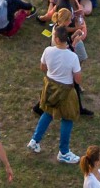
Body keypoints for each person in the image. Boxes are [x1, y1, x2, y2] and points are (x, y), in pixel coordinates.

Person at [28, 25, 82, 164]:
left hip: (50, 87)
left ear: (57, 39)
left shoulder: (48, 51)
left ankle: (35, 140)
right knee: (67, 118)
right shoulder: (73, 57)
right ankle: (64, 152)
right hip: (66, 91)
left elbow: (43, 67)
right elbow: (78, 79)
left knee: (47, 113)